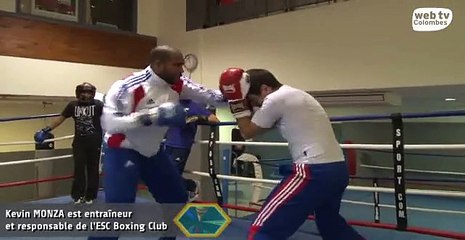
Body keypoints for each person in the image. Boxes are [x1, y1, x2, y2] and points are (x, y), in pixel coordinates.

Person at [91, 45, 225, 240]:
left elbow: (212, 96)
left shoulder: (179, 83)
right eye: (177, 64)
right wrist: (152, 116)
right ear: (158, 64)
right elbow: (109, 122)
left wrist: (238, 92)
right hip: (122, 149)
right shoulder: (129, 86)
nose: (182, 69)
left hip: (152, 152)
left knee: (176, 199)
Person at [219, 68, 365, 240]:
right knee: (330, 224)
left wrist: (237, 102)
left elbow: (246, 132)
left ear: (265, 89)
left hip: (313, 170)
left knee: (262, 230)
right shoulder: (296, 95)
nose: (254, 103)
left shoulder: (275, 99)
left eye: (252, 98)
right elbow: (262, 124)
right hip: (337, 169)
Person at [34, 82, 104, 205]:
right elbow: (61, 118)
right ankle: (78, 195)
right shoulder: (73, 105)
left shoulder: (98, 105)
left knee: (93, 170)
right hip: (79, 143)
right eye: (83, 92)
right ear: (78, 93)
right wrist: (46, 130)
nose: (86, 95)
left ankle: (90, 196)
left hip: (95, 143)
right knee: (79, 169)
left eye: (88, 92)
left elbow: (110, 118)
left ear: (92, 94)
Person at [163, 99, 220, 201]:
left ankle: (191, 186)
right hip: (168, 143)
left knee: (172, 177)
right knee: (163, 175)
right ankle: (188, 187)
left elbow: (214, 119)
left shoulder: (194, 105)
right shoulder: (172, 103)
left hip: (181, 145)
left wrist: (197, 118)